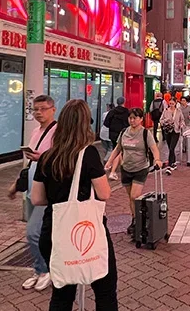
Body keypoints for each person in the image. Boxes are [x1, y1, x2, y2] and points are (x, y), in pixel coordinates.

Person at [30, 100, 117, 310]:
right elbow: (104, 193)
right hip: (87, 229)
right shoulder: (88, 154)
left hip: (54, 231)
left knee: (62, 294)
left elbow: (37, 199)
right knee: (104, 290)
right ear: (85, 124)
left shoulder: (47, 157)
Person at [8, 95, 57, 292]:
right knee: (40, 233)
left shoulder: (57, 131)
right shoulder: (36, 131)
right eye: (36, 109)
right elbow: (30, 164)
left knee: (33, 232)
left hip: (46, 190)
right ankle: (40, 269)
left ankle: (45, 270)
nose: (39, 113)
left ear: (53, 109)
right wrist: (17, 185)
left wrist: (41, 157)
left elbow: (61, 158)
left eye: (43, 109)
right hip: (31, 187)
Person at [105, 108, 163, 236]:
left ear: (141, 119)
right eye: (130, 118)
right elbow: (117, 148)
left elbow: (154, 148)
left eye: (135, 118)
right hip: (126, 168)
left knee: (134, 196)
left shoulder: (145, 134)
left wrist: (157, 159)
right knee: (130, 197)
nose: (132, 120)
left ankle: (140, 220)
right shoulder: (124, 132)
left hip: (140, 168)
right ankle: (135, 219)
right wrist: (109, 162)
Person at [160, 96, 188, 170]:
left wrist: (181, 125)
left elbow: (182, 120)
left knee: (172, 147)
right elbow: (161, 120)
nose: (171, 105)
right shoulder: (165, 111)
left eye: (173, 103)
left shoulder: (178, 111)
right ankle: (174, 162)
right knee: (170, 147)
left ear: (175, 103)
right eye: (170, 103)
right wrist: (166, 120)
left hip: (176, 130)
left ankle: (170, 164)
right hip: (168, 131)